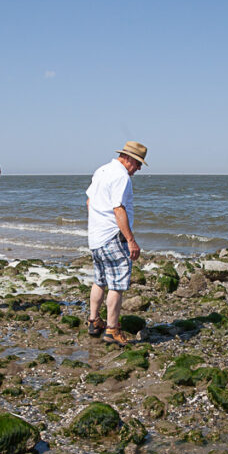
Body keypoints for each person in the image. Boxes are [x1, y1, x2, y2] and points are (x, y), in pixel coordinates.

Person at [85, 141, 147, 345]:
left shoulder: (101, 170)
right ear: (128, 158)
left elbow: (89, 201)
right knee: (117, 285)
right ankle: (112, 329)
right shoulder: (121, 177)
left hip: (96, 237)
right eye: (138, 164)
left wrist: (97, 223)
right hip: (112, 237)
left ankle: (94, 321)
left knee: (99, 280)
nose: (138, 169)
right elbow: (118, 209)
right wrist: (131, 240)